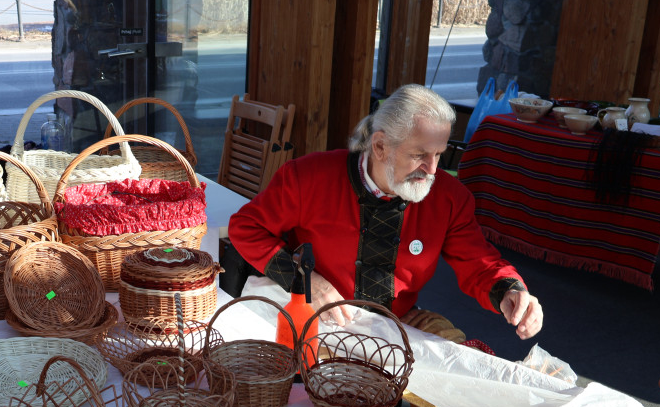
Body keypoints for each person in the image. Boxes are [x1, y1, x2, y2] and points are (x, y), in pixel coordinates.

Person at [228, 83, 543, 340]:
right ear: (379, 147)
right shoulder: (309, 177)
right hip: (316, 312)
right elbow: (246, 228)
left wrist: (511, 291)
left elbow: (480, 263)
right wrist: (306, 280)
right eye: (419, 154)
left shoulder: (449, 197)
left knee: (467, 368)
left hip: (397, 318)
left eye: (439, 154)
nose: (432, 170)